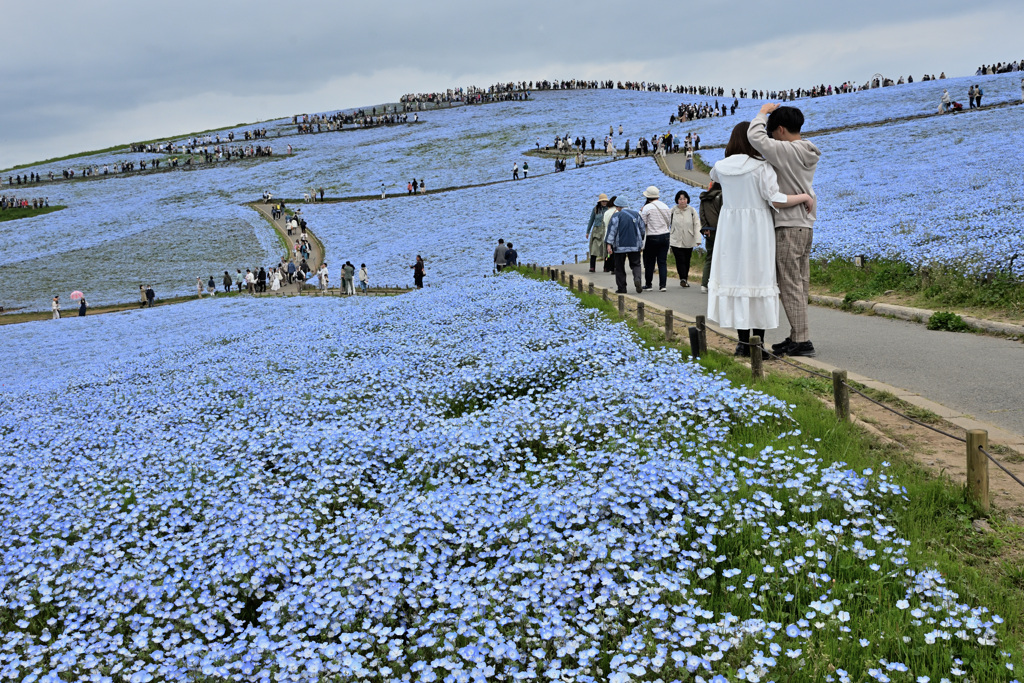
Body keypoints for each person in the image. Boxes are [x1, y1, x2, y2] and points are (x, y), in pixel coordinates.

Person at [709, 122, 813, 358]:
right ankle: (758, 345)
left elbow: (714, 178)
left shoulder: (720, 167)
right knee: (760, 279)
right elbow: (775, 199)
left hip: (730, 229)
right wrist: (804, 196)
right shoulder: (761, 167)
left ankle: (742, 343)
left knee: (737, 280)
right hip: (757, 228)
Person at [748, 104, 821, 358]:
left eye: (772, 131)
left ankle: (802, 340)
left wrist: (762, 111)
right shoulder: (806, 150)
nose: (769, 137)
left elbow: (754, 137)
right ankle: (797, 334)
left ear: (780, 129)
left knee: (788, 283)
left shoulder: (786, 150)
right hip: (805, 223)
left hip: (789, 224)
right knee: (799, 283)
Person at [605, 196, 645, 294]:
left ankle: (622, 288)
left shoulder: (616, 216)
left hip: (619, 246)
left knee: (619, 267)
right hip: (634, 245)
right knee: (636, 264)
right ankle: (637, 279)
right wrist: (640, 241)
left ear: (617, 206)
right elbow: (642, 229)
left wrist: (609, 244)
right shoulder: (636, 214)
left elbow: (612, 232)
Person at [639, 186, 671, 291]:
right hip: (665, 236)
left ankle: (649, 285)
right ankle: (663, 286)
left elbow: (642, 224)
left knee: (650, 261)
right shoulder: (665, 206)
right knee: (662, 261)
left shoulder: (647, 208)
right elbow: (669, 222)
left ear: (647, 197)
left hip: (652, 237)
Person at [669, 190, 701, 287]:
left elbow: (697, 224)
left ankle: (685, 278)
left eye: (684, 199)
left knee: (687, 260)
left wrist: (698, 239)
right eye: (680, 199)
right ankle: (682, 278)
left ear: (687, 199)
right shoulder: (673, 211)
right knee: (680, 259)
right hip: (675, 239)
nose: (682, 201)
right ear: (677, 200)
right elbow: (666, 222)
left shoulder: (692, 211)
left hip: (688, 238)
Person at [699, 180, 723, 293]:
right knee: (724, 257)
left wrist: (705, 228)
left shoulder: (704, 198)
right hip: (722, 231)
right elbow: (724, 214)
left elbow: (702, 215)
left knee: (710, 257)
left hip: (709, 232)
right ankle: (720, 284)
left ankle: (705, 284)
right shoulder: (722, 196)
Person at [586, 193, 611, 272]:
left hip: (605, 230)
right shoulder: (595, 209)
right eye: (602, 201)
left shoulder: (609, 209)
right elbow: (591, 220)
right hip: (596, 230)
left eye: (605, 201)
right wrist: (587, 231)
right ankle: (592, 267)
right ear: (600, 202)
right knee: (594, 249)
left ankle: (606, 266)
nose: (604, 202)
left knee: (606, 249)